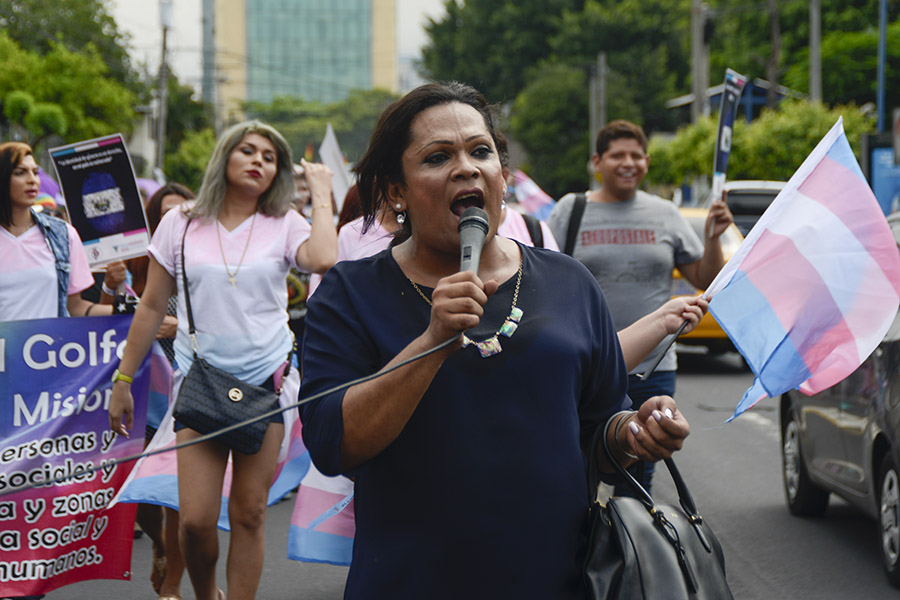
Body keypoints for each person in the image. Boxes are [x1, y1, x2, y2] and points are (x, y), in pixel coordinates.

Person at [298, 82, 691, 599]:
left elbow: (599, 429)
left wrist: (634, 432)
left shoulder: (570, 282)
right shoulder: (347, 294)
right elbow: (333, 445)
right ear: (396, 191)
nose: (466, 168)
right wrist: (434, 339)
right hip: (407, 582)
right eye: (438, 157)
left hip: (555, 580)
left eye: (481, 151)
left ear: (502, 177)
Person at [108, 121, 337, 600]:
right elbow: (151, 306)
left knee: (249, 514)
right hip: (201, 384)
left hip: (267, 386)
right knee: (193, 520)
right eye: (247, 150)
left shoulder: (286, 223)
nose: (258, 161)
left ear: (277, 173)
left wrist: (320, 192)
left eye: (270, 157)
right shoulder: (182, 222)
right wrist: (124, 380)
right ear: (225, 158)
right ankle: (207, 592)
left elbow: (323, 258)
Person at [547, 119, 734, 493]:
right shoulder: (573, 209)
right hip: (587, 367)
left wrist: (713, 240)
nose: (628, 162)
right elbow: (548, 275)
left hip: (654, 369)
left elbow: (703, 278)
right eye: (618, 155)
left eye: (636, 155)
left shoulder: (665, 213)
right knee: (575, 464)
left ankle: (629, 550)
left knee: (638, 473)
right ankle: (581, 546)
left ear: (647, 162)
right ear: (597, 162)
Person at [127, 182, 194, 600]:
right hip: (142, 388)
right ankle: (160, 542)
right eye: (166, 213)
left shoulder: (203, 261)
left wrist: (178, 328)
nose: (175, 220)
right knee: (140, 491)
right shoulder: (136, 262)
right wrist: (114, 287)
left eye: (181, 213)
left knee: (176, 492)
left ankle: (173, 586)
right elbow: (112, 315)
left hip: (186, 384)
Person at [0, 141, 121, 320]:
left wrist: (133, 313)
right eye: (20, 173)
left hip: (48, 345)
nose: (32, 180)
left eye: (35, 172)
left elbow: (76, 307)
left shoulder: (64, 235)